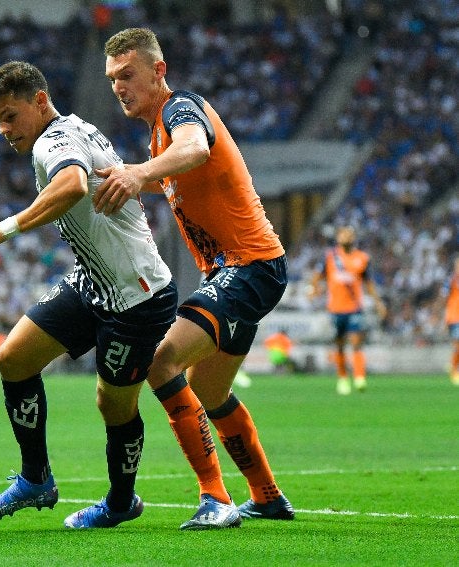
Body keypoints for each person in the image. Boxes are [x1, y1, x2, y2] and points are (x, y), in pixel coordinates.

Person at [0, 60, 240, 529]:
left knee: (113, 404)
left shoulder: (56, 141)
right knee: (13, 359)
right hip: (93, 282)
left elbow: (71, 184)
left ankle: (120, 502)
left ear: (39, 101)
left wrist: (4, 228)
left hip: (138, 298)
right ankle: (36, 480)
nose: (4, 129)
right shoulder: (75, 128)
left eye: (10, 116)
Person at [95, 27, 294, 521]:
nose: (119, 86)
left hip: (250, 265)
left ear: (158, 71)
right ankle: (267, 496)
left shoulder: (180, 109)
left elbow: (197, 148)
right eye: (112, 79)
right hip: (238, 271)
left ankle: (215, 498)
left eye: (128, 74)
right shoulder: (157, 130)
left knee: (162, 363)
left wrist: (139, 172)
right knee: (209, 392)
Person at [309, 226, 386, 394]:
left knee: (356, 341)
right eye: (343, 234)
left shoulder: (363, 258)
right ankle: (343, 378)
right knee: (340, 345)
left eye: (349, 234)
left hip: (355, 308)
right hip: (335, 308)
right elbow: (317, 277)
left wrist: (378, 303)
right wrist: (314, 290)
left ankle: (359, 377)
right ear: (338, 237)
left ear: (354, 237)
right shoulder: (330, 257)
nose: (346, 236)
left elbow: (369, 283)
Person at [443, 257, 459, 386]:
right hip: (454, 316)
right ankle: (454, 371)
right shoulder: (451, 280)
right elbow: (444, 297)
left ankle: (452, 364)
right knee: (457, 344)